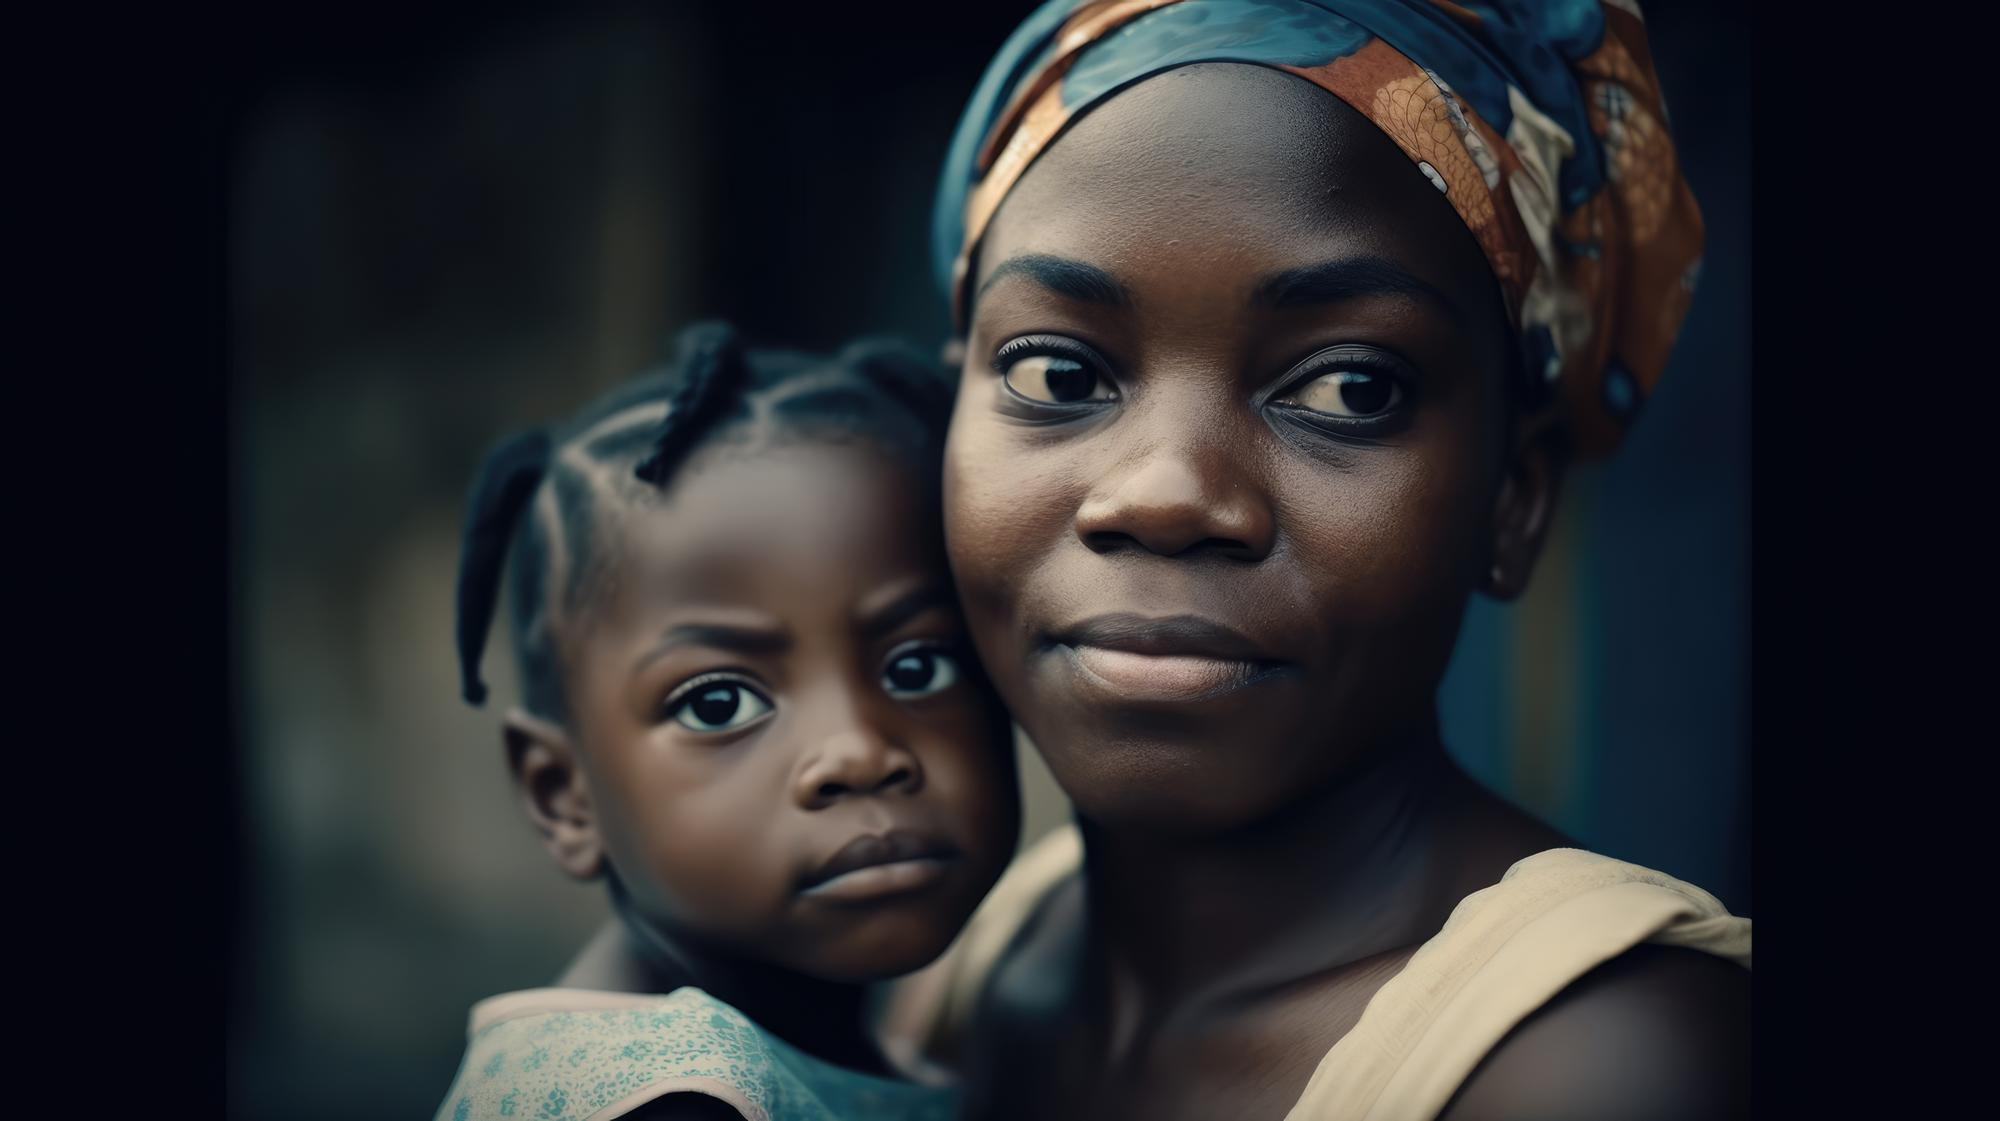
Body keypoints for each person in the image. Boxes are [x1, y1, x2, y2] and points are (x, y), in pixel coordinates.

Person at [905, 1, 1750, 1117]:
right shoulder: (987, 953)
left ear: (1511, 498)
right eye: (1057, 375)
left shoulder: (1605, 1061)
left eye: (1348, 387)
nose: (1164, 494)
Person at [435, 322, 1021, 1121]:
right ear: (562, 792)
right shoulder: (676, 1099)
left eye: (918, 667)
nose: (858, 753)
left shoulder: (850, 1050)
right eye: (719, 703)